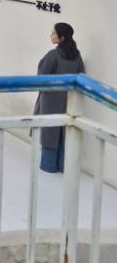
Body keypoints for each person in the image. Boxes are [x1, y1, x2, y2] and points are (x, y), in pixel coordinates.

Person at [34, 22, 84, 173]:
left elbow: (41, 78)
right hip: (69, 101)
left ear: (62, 38)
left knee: (49, 131)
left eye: (54, 33)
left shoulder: (53, 55)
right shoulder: (77, 57)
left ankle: (48, 165)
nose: (51, 35)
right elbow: (81, 76)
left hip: (50, 100)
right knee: (63, 131)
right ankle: (62, 165)